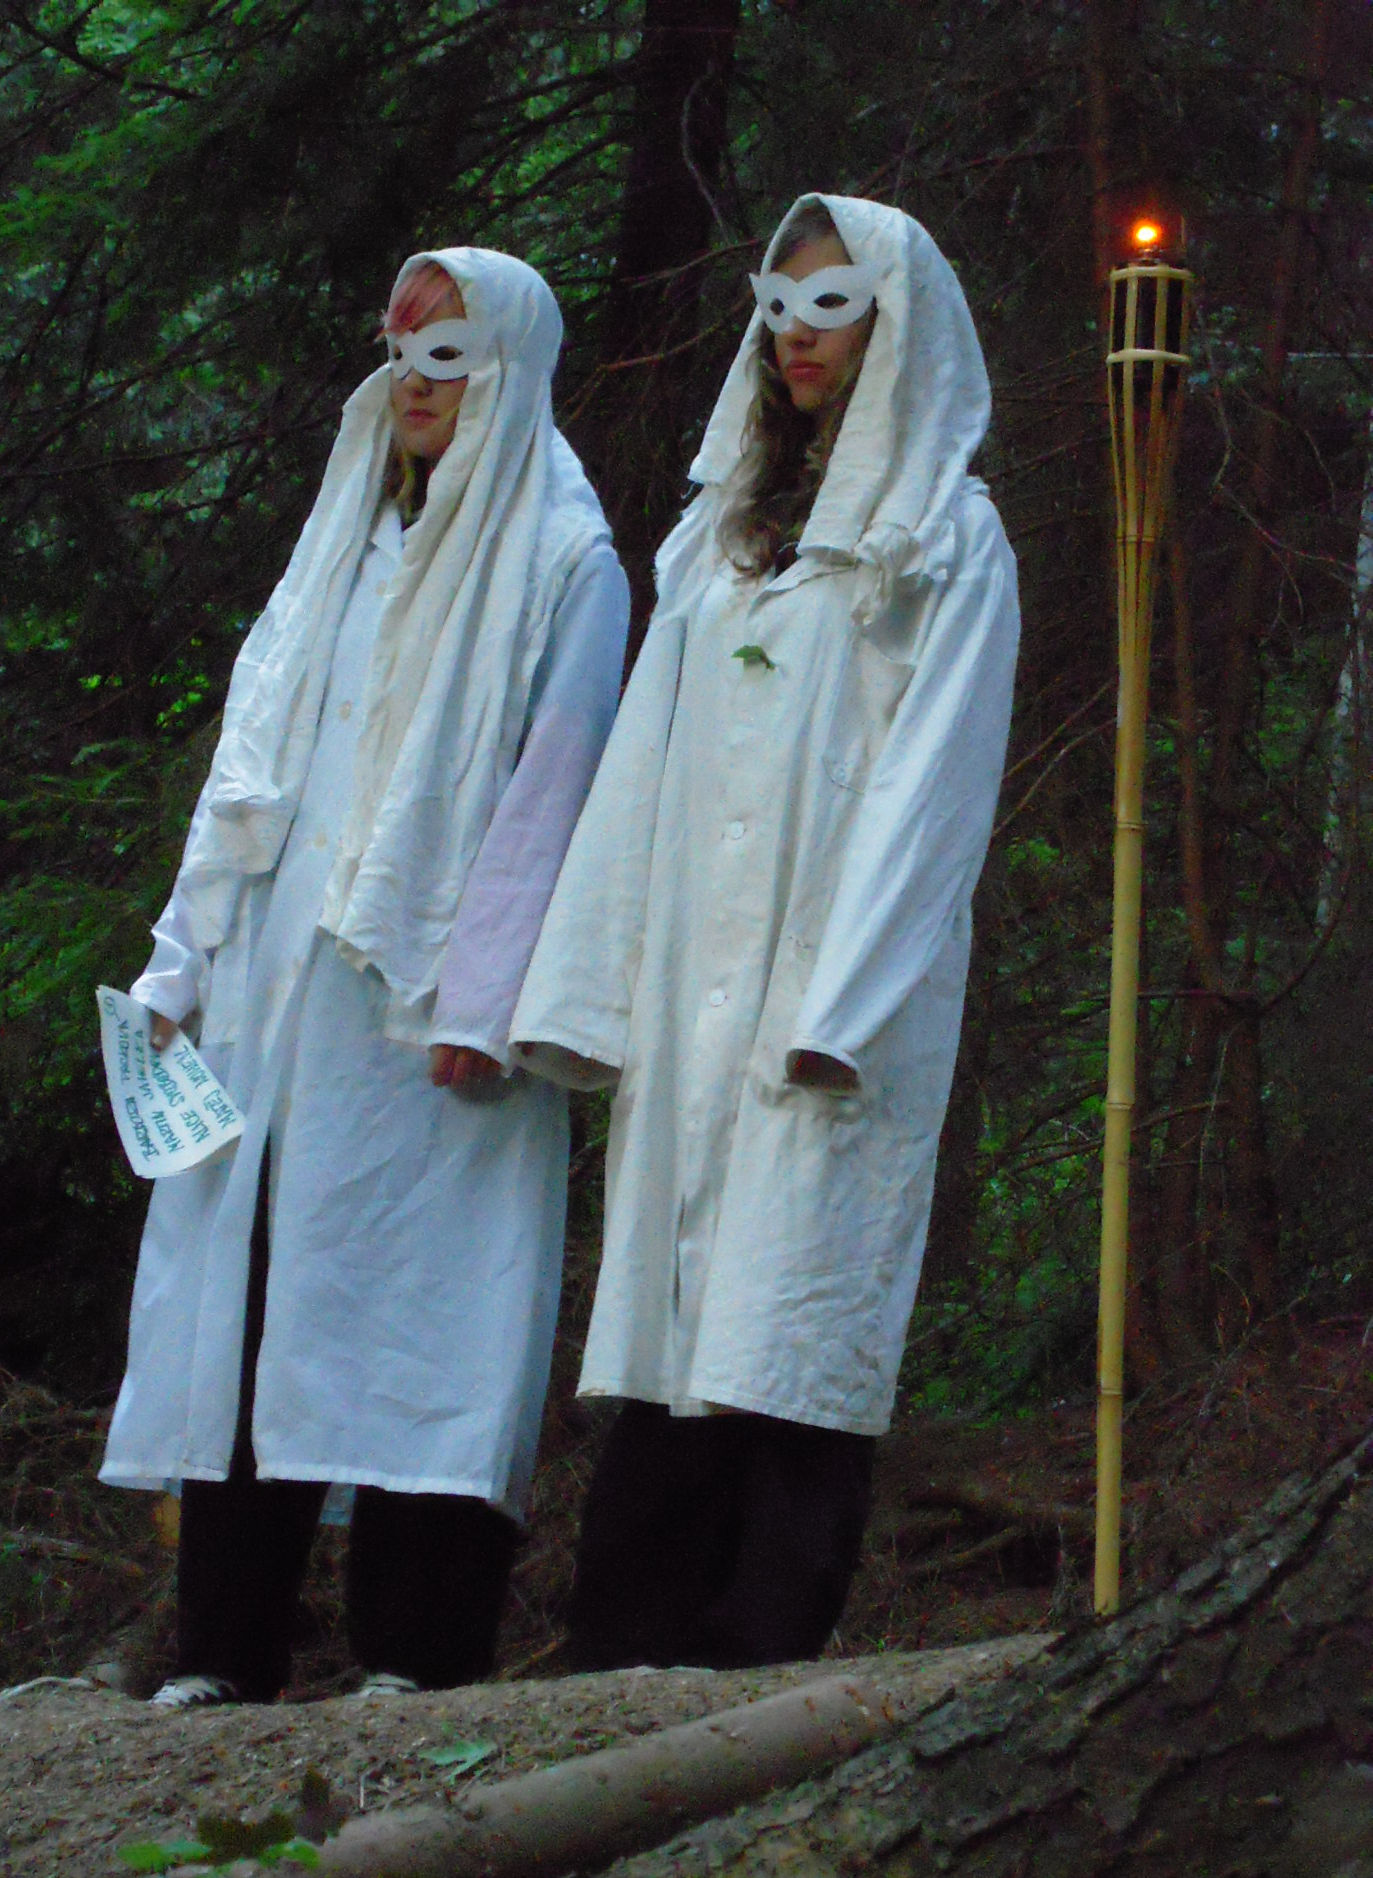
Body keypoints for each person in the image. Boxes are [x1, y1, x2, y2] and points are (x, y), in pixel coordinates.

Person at [99, 248, 629, 1706]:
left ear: (509, 368)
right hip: (276, 1004)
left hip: (428, 1022)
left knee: (429, 1315)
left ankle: (419, 1652)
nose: (418, 384)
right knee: (255, 1296)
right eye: (404, 354)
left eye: (451, 357)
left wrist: (487, 1000)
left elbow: (557, 795)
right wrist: (179, 963)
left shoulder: (564, 563)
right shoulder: (341, 544)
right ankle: (225, 1648)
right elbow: (249, 767)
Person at [510, 194, 1020, 1671]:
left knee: (795, 1312)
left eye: (833, 307)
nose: (800, 338)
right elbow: (640, 767)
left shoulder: (942, 540)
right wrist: (590, 987)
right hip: (695, 984)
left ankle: (760, 1647)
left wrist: (845, 1004)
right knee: (673, 1310)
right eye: (779, 308)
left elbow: (934, 790)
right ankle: (623, 1644)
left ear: (897, 322)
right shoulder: (715, 542)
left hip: (827, 987)